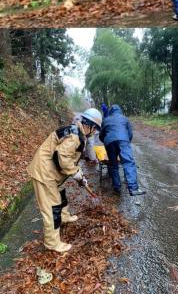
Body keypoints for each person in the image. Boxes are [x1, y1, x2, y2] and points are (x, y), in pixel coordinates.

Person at [27, 108, 103, 253]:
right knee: (52, 207)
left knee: (61, 192)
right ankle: (52, 243)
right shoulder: (75, 136)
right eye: (96, 130)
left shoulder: (78, 132)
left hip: (53, 171)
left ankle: (64, 216)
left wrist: (81, 176)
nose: (95, 133)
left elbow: (71, 160)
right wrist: (75, 173)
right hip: (44, 172)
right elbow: (61, 157)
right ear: (91, 126)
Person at [99, 105, 146, 196]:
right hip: (123, 141)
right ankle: (133, 188)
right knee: (128, 162)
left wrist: (107, 142)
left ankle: (117, 187)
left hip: (109, 143)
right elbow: (130, 134)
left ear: (111, 111)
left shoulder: (106, 120)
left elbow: (101, 136)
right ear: (119, 111)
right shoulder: (125, 119)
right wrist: (125, 141)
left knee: (113, 165)